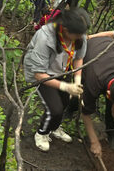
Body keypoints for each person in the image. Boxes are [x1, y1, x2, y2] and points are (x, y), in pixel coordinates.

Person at [23, 8, 90, 152]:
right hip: (43, 73)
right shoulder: (45, 37)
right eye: (77, 34)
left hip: (62, 70)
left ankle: (54, 128)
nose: (80, 37)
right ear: (65, 29)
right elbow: (39, 74)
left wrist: (77, 81)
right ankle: (41, 133)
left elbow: (78, 58)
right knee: (55, 109)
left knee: (65, 102)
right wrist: (66, 87)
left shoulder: (80, 35)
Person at [81, 37, 114, 157]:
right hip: (89, 50)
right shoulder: (93, 82)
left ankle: (112, 132)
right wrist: (94, 141)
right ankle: (71, 108)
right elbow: (85, 113)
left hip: (111, 46)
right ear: (108, 94)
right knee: (80, 95)